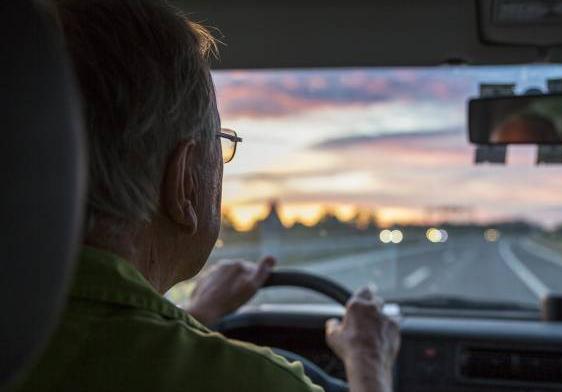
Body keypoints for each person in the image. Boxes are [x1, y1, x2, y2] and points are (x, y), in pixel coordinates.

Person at [15, 0, 399, 391]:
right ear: (183, 181)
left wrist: (195, 314)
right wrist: (369, 362)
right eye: (220, 142)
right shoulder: (255, 382)